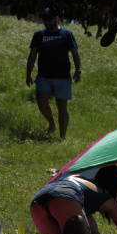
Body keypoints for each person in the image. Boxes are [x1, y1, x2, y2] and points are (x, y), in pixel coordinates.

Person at [26, 8, 81, 140]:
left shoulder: (67, 34)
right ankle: (51, 124)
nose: (46, 22)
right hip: (44, 76)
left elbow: (75, 54)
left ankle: (62, 137)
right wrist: (28, 74)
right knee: (41, 100)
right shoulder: (39, 35)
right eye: (44, 19)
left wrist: (78, 70)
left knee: (62, 107)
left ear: (56, 18)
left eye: (49, 19)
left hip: (62, 77)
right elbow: (32, 56)